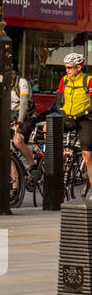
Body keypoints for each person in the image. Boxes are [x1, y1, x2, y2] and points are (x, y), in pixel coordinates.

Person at [55, 52, 92, 191]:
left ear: (78, 67)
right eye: (66, 67)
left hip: (84, 119)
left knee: (87, 155)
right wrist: (65, 115)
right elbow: (58, 103)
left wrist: (77, 116)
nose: (67, 70)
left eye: (70, 67)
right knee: (47, 131)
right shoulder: (63, 80)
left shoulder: (89, 80)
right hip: (68, 117)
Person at [10, 66, 40, 178]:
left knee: (17, 140)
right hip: (10, 117)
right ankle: (15, 188)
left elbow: (24, 104)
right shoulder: (1, 82)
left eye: (12, 72)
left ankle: (33, 165)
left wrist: (20, 122)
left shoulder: (21, 82)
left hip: (27, 117)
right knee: (9, 153)